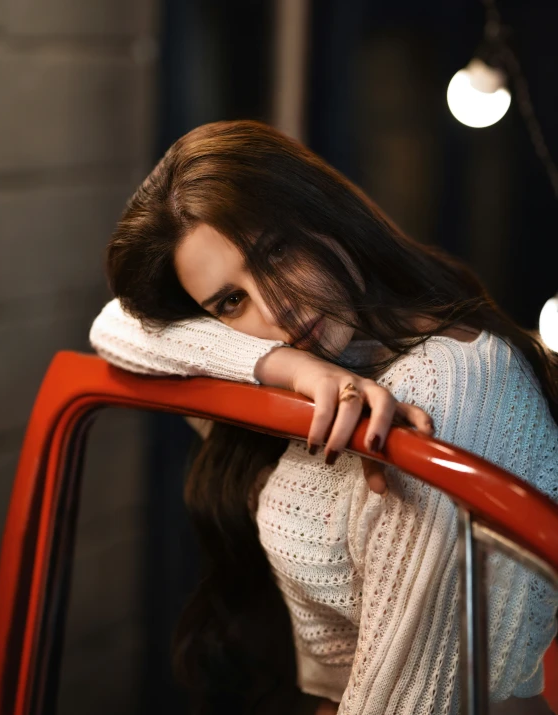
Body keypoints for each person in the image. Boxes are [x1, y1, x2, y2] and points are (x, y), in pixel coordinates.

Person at [89, 120, 558, 715]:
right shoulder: (318, 368)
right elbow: (115, 326)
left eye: (276, 251)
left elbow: (404, 698)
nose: (276, 308)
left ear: (321, 213)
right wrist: (286, 367)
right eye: (230, 301)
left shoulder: (444, 384)